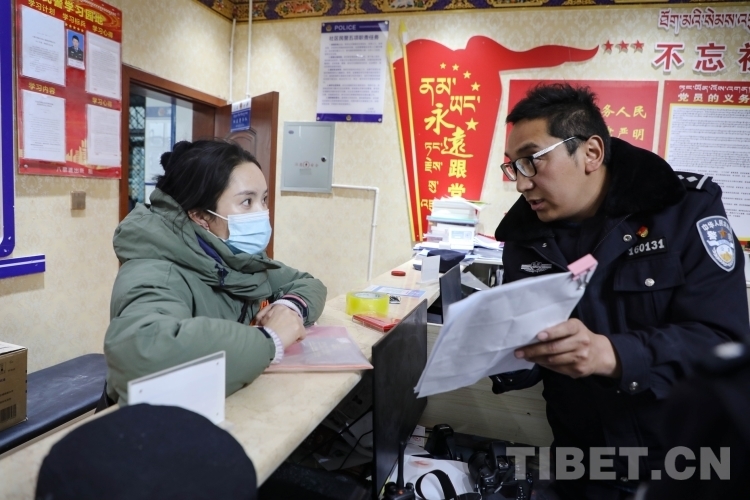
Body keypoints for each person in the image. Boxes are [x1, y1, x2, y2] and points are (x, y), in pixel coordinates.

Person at [490, 83, 749, 499]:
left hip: (680, 462)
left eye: (532, 162)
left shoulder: (683, 212)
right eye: (513, 167)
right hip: (581, 464)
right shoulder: (526, 238)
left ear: (591, 152)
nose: (521, 184)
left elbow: (721, 341)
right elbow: (530, 350)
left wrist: (611, 354)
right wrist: (501, 352)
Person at [104, 140, 327, 404]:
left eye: (264, 199)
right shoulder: (154, 271)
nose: (262, 213)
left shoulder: (237, 256)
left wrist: (287, 308)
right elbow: (144, 353)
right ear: (200, 216)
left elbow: (307, 284)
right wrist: (269, 340)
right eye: (247, 201)